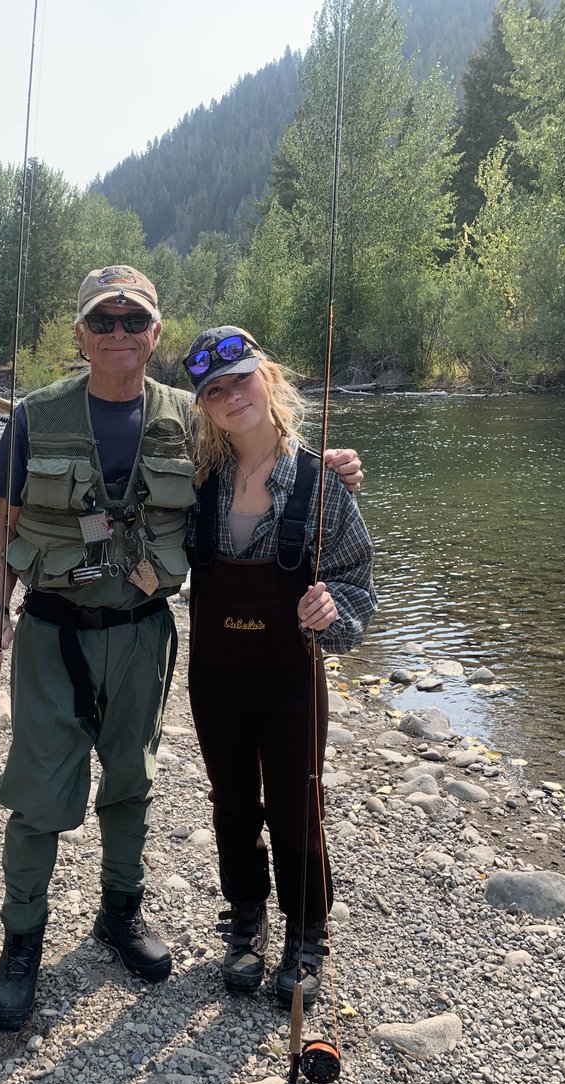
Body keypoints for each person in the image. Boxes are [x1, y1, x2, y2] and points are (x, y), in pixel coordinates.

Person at [0, 267, 364, 1032]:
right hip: (51, 634)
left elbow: (262, 456)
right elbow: (3, 527)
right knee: (39, 794)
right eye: (103, 320)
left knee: (132, 783)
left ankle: (120, 913)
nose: (118, 333)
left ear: (155, 333)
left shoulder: (191, 419)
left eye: (134, 320)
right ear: (80, 334)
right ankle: (21, 946)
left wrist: (328, 466)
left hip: (144, 634)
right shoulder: (34, 417)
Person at [183, 326, 376, 1009]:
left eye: (240, 379)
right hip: (214, 679)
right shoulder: (194, 483)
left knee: (299, 803)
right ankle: (246, 917)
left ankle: (308, 931)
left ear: (267, 379)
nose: (231, 396)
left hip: (293, 679)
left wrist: (332, 609)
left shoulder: (324, 484)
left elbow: (357, 584)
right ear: (203, 408)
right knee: (231, 801)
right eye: (214, 390)